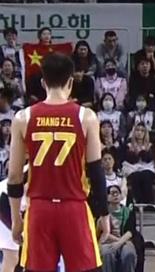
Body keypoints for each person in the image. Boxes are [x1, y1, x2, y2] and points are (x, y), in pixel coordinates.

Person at [7, 52, 110, 271]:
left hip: (39, 209)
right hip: (74, 207)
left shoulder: (23, 118)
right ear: (71, 82)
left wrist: (16, 219)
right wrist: (104, 214)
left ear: (43, 83)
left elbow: (14, 176)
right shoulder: (86, 116)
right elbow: (96, 171)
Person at [101, 185, 138, 272]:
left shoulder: (128, 211)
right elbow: (105, 232)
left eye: (117, 193)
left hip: (125, 240)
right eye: (112, 193)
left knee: (129, 254)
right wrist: (118, 241)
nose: (115, 195)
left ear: (121, 196)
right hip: (108, 241)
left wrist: (120, 243)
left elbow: (130, 231)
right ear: (107, 197)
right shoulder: (103, 213)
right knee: (107, 254)